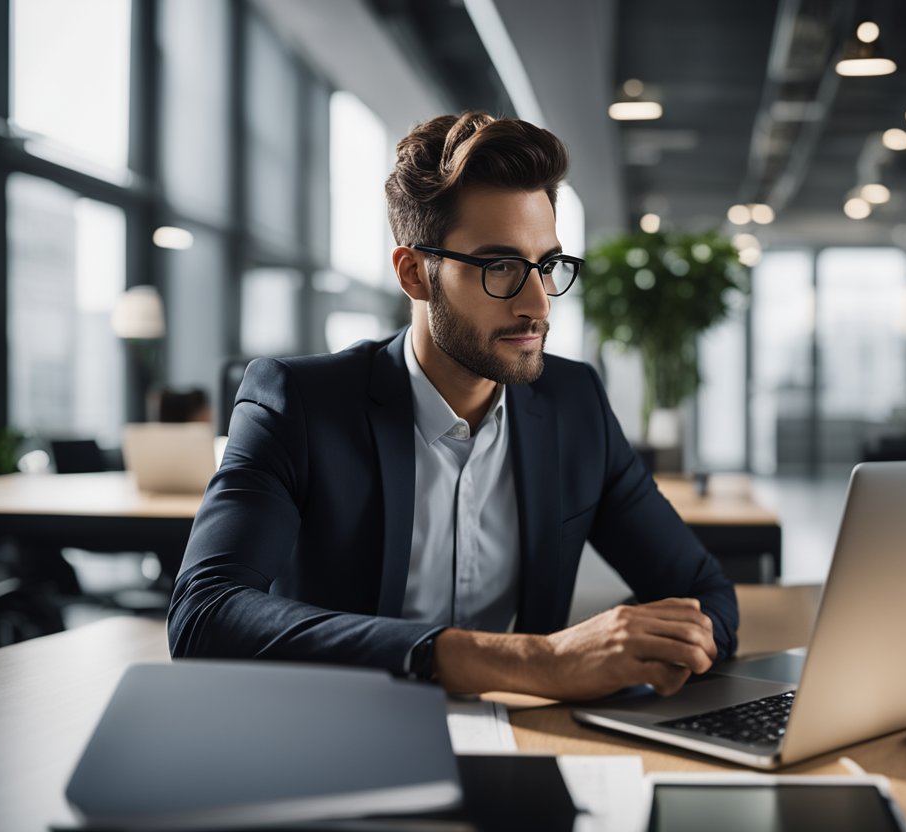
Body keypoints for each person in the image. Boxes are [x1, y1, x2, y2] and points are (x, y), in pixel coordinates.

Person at [168, 112, 738, 700]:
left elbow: (705, 593)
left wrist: (655, 652)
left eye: (547, 265)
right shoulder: (299, 404)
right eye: (501, 268)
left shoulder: (575, 405)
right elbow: (203, 616)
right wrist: (531, 660)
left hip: (523, 740)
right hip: (341, 736)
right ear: (415, 273)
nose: (538, 304)